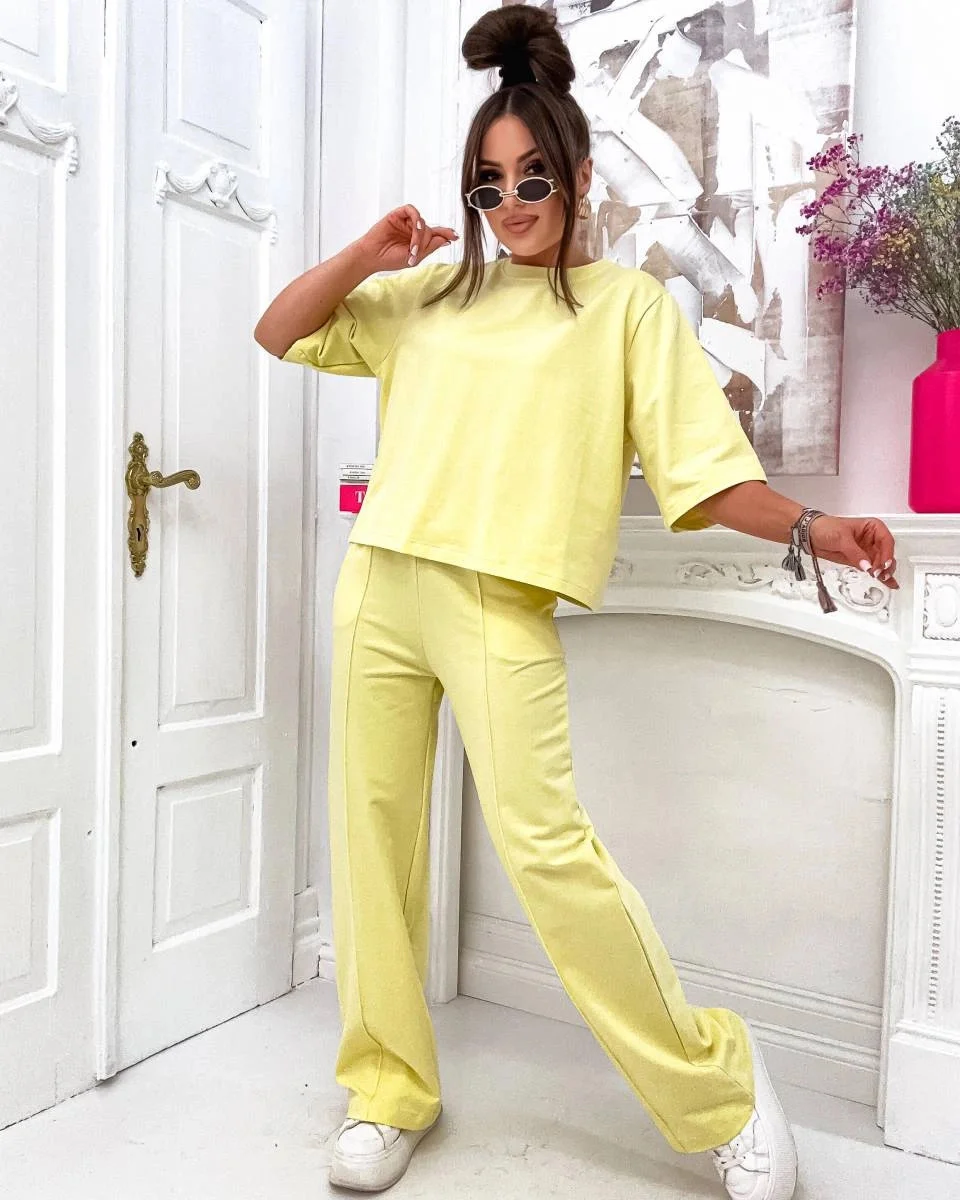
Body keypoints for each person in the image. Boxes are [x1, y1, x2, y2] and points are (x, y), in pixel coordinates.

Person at [254, 8, 898, 1198]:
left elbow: (706, 477)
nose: (511, 203)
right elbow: (278, 328)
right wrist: (368, 253)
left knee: (550, 855)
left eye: (533, 177)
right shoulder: (429, 295)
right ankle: (388, 1089)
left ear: (581, 175)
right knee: (370, 845)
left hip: (500, 604)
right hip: (380, 582)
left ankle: (719, 1090)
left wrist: (817, 527)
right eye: (488, 185)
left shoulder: (628, 311)